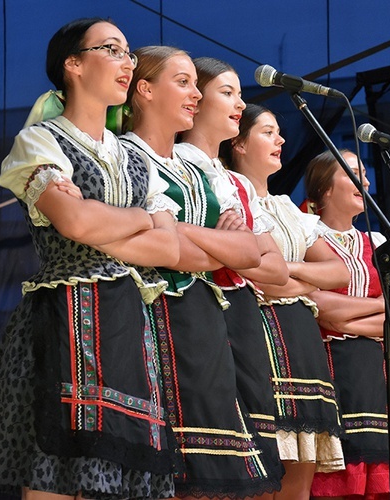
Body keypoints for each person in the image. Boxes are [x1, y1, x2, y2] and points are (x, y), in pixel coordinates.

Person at [0, 18, 180, 499]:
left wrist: (99, 216)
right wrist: (141, 219)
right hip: (64, 320)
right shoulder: (41, 140)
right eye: (112, 49)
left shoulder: (135, 155)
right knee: (54, 472)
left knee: (123, 475)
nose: (127, 62)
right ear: (73, 64)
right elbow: (72, 224)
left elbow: (169, 248)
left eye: (129, 53)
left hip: (129, 327)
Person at [120, 46, 282, 499]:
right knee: (177, 461)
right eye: (184, 83)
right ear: (145, 90)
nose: (194, 94)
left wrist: (186, 235)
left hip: (207, 319)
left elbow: (249, 251)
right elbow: (162, 247)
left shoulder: (201, 174)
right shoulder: (130, 157)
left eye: (197, 84)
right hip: (156, 314)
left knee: (217, 469)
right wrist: (216, 247)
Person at [221, 103, 348, 499]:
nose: (280, 140)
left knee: (301, 471)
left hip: (300, 340)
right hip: (254, 335)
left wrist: (288, 277)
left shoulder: (285, 208)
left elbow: (339, 272)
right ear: (239, 144)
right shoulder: (226, 193)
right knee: (262, 461)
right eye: (268, 132)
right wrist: (302, 278)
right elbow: (250, 268)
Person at [175, 58, 289, 477]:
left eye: (240, 93)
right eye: (228, 92)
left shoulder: (237, 183)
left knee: (249, 454)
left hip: (244, 316)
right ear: (196, 100)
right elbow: (168, 239)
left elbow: (275, 270)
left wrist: (237, 249)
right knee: (206, 452)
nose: (240, 103)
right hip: (197, 309)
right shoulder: (174, 164)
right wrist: (237, 248)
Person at [303, 149, 390, 500]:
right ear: (324, 188)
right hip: (327, 369)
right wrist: (380, 306)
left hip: (373, 374)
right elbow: (321, 309)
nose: (364, 181)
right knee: (332, 482)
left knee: (377, 484)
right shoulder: (306, 235)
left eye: (364, 173)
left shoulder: (378, 243)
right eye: (352, 173)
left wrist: (347, 316)